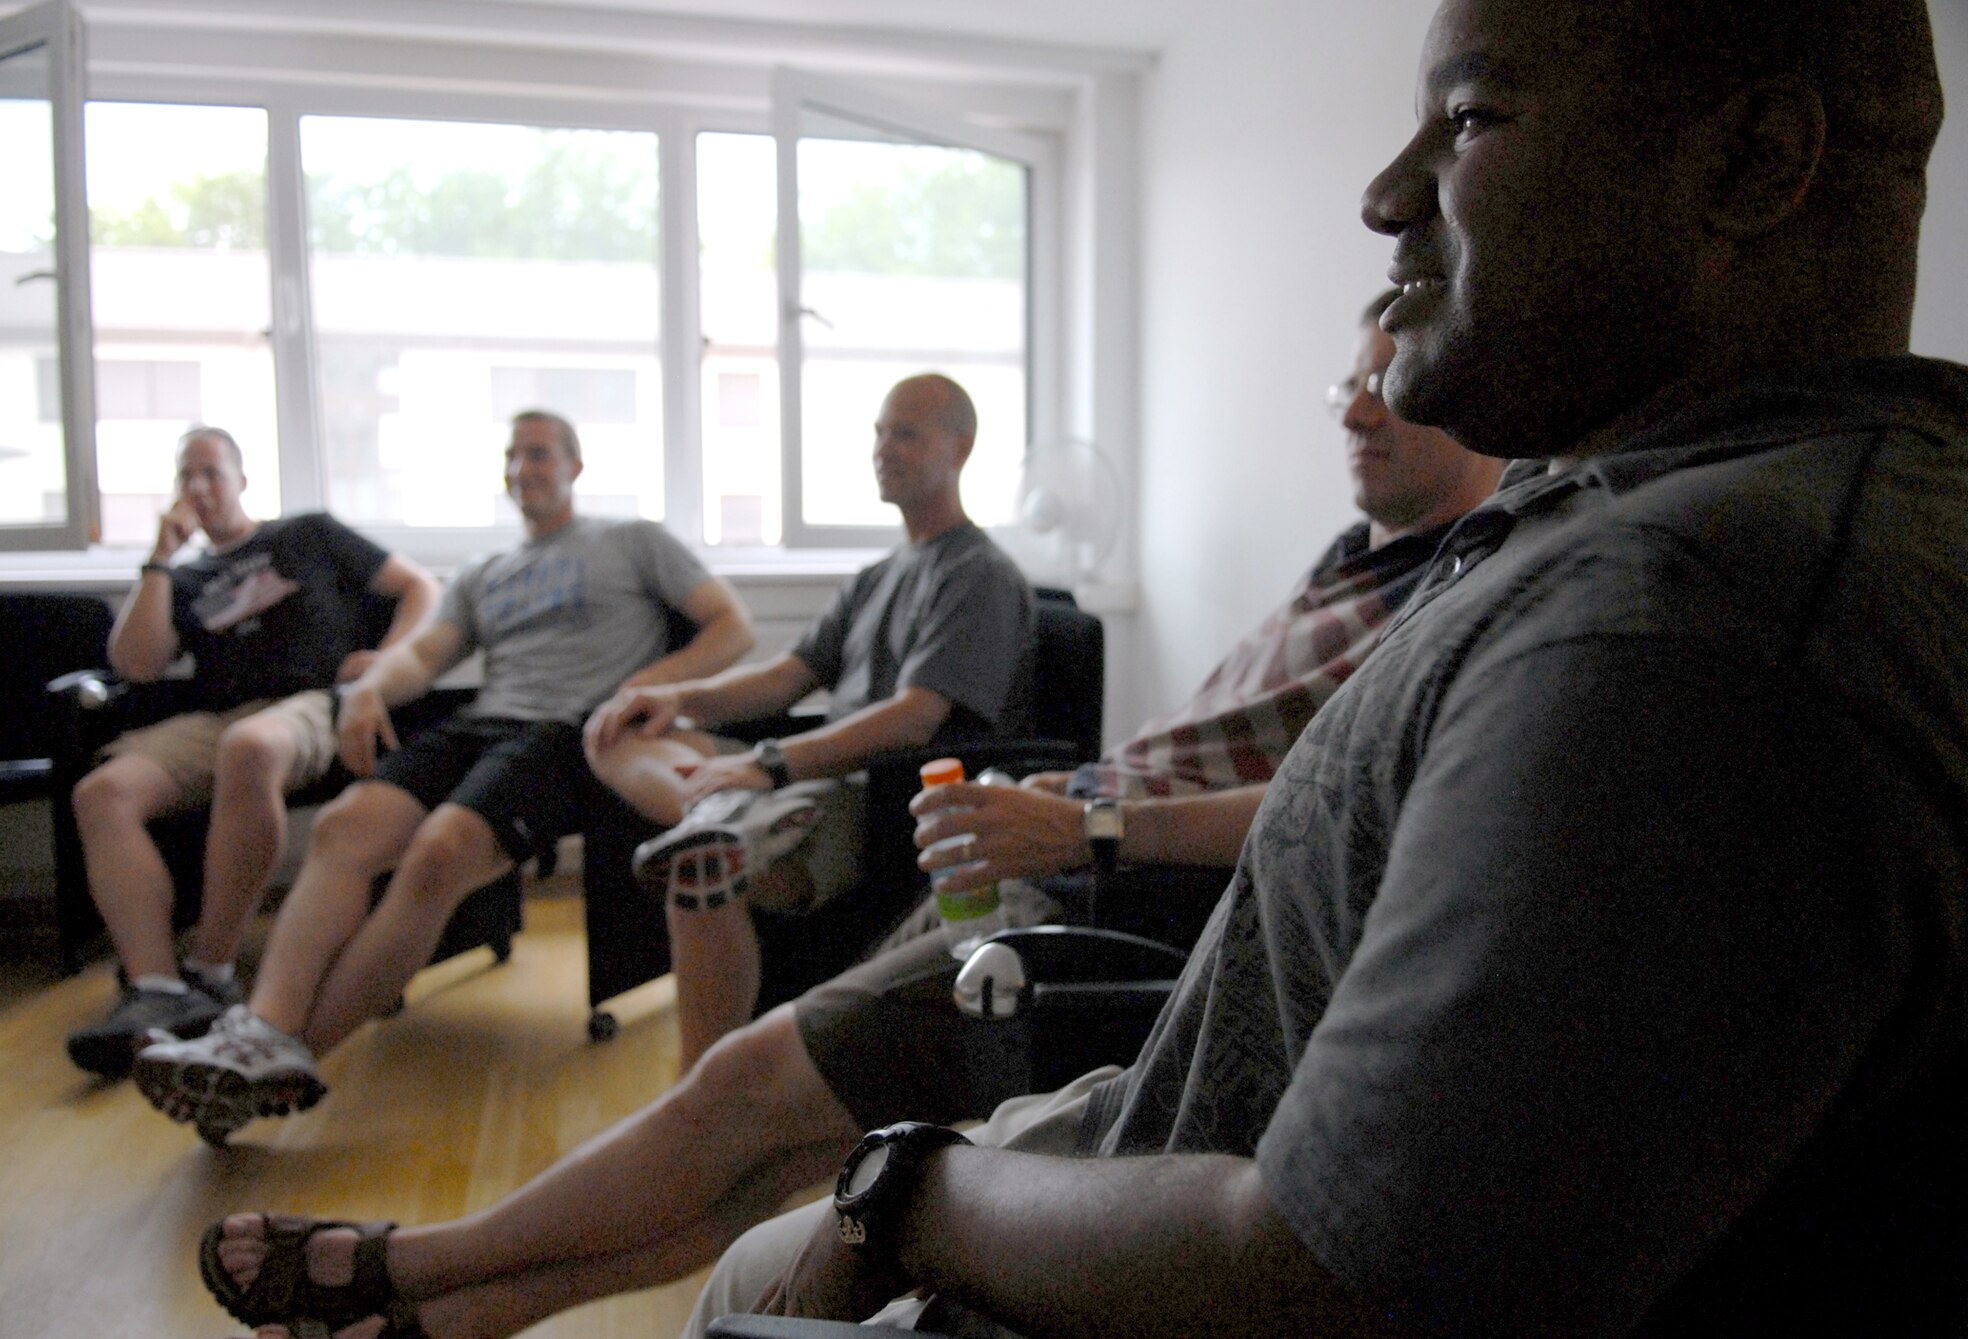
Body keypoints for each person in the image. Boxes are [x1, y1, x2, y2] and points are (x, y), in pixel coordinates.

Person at [678, 0, 1967, 1334]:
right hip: (1137, 1118)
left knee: (740, 1279)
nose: (1383, 195)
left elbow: (1326, 1275)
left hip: (1131, 1251)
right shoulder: (1648, 521)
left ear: (1753, 162)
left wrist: (914, 1187)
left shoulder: (1677, 626)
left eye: (1470, 120)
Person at [187, 311, 1503, 1339]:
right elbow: (783, 674)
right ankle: (467, 1307)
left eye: (1394, 375)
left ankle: (421, 1262)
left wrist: (1078, 833)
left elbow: (1333, 810)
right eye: (1348, 377)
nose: (1356, 403)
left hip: (1060, 867)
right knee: (789, 1131)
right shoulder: (1353, 556)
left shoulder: (1467, 596)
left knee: (752, 1091)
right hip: (1057, 833)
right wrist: (683, 700)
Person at [133, 409, 754, 1143]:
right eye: (514, 456)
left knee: (439, 850)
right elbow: (424, 658)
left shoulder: (631, 540)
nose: (525, 468)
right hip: (483, 723)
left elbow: (730, 627)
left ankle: (289, 1057)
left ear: (576, 467)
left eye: (541, 454)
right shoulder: (485, 573)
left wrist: (648, 687)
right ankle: (260, 1029)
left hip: (569, 731)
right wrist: (366, 692)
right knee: (343, 828)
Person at [582, 372, 1035, 1064]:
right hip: (803, 773)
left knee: (699, 868)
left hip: (874, 794)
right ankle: (724, 814)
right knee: (615, 736)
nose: (884, 448)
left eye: (905, 432)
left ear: (962, 446)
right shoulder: (877, 576)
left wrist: (766, 764)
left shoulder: (978, 575)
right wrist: (680, 700)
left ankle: (702, 1098)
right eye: (879, 432)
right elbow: (787, 676)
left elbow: (914, 720)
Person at [65, 427, 439, 1080]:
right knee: (101, 792)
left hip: (311, 704)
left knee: (250, 745)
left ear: (243, 479)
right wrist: (158, 560)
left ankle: (213, 969)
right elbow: (138, 664)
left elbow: (421, 588)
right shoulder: (185, 579)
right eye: (188, 477)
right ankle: (159, 988)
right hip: (215, 717)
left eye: (212, 472)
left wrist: (386, 660)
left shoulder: (307, 533)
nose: (201, 488)